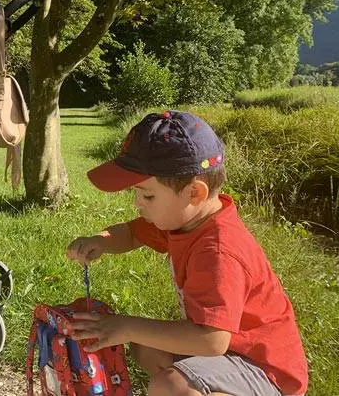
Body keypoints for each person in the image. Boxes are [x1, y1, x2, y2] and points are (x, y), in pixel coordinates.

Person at [66, 110, 308, 396]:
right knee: (145, 347)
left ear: (195, 193)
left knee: (169, 386)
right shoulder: (185, 220)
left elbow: (212, 340)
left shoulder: (219, 250)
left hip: (264, 373)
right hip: (229, 351)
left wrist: (127, 325)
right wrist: (102, 240)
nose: (137, 204)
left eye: (148, 195)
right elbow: (131, 234)